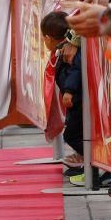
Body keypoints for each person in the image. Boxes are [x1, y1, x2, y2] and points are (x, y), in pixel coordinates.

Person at [40, 11, 83, 164]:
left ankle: (90, 159)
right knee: (75, 131)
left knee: (72, 135)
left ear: (47, 38)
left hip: (78, 99)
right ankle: (85, 157)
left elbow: (76, 71)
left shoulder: (69, 53)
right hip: (75, 100)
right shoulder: (63, 50)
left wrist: (69, 91)